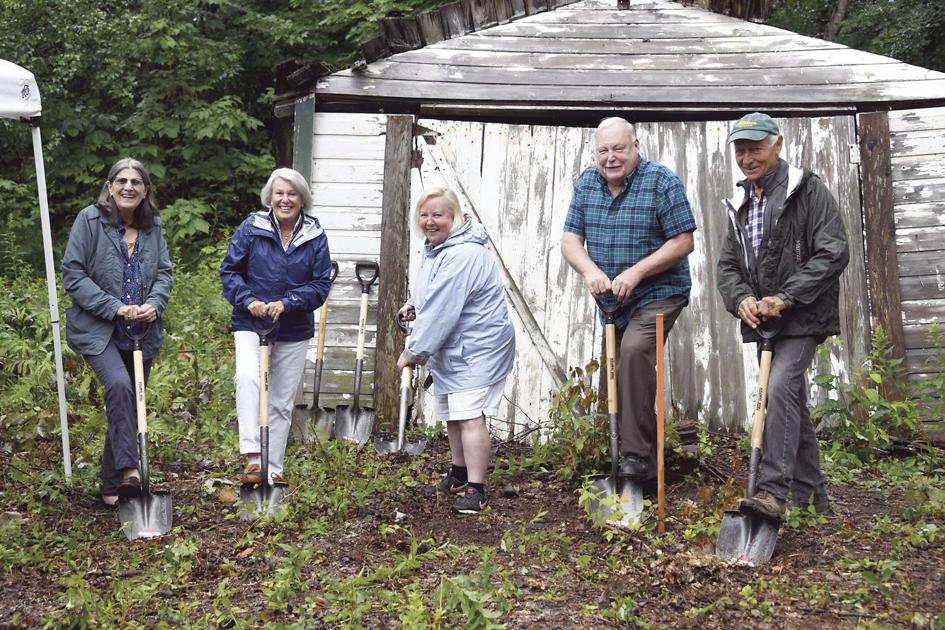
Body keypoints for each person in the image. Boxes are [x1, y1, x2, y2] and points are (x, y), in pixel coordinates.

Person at [717, 112, 849, 519]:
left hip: (801, 315)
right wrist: (741, 299)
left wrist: (786, 297)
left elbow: (833, 252)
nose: (747, 157)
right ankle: (814, 500)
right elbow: (728, 266)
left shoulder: (807, 191)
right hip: (765, 321)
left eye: (755, 148)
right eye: (740, 150)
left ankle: (773, 492)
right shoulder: (742, 201)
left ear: (777, 143)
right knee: (789, 397)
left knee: (777, 392)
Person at [561, 117, 696, 483]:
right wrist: (590, 271)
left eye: (618, 148)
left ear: (635, 145)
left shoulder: (661, 181)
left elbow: (684, 241)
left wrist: (637, 272)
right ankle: (643, 469)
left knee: (634, 352)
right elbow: (570, 241)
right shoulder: (587, 183)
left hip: (659, 293)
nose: (610, 158)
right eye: (603, 150)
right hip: (613, 301)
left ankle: (635, 459)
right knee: (619, 375)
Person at [62, 158, 173, 507]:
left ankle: (112, 489)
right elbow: (73, 274)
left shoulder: (153, 227)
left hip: (142, 330)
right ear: (109, 186)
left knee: (127, 400)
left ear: (145, 190)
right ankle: (129, 470)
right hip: (98, 329)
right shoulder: (89, 220)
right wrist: (114, 307)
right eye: (121, 180)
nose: (128, 187)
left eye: (136, 182)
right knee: (121, 386)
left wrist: (154, 303)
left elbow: (165, 273)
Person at [398, 188, 515, 514]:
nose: (430, 221)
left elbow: (442, 310)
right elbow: (433, 296)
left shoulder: (461, 254)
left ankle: (476, 490)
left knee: (468, 416)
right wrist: (414, 304)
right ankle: (459, 474)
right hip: (456, 346)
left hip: (478, 346)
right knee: (451, 412)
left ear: (455, 217)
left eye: (439, 215)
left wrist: (414, 352)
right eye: (425, 215)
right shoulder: (438, 248)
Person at [220, 168, 331, 487]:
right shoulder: (251, 227)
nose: (285, 199)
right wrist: (249, 300)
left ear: (302, 199)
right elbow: (230, 272)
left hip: (293, 327)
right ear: (270, 197)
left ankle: (274, 467)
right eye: (279, 193)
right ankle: (254, 457)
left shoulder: (314, 235)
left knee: (281, 400)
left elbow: (321, 285)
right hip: (251, 322)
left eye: (292, 193)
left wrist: (288, 303)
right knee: (248, 377)